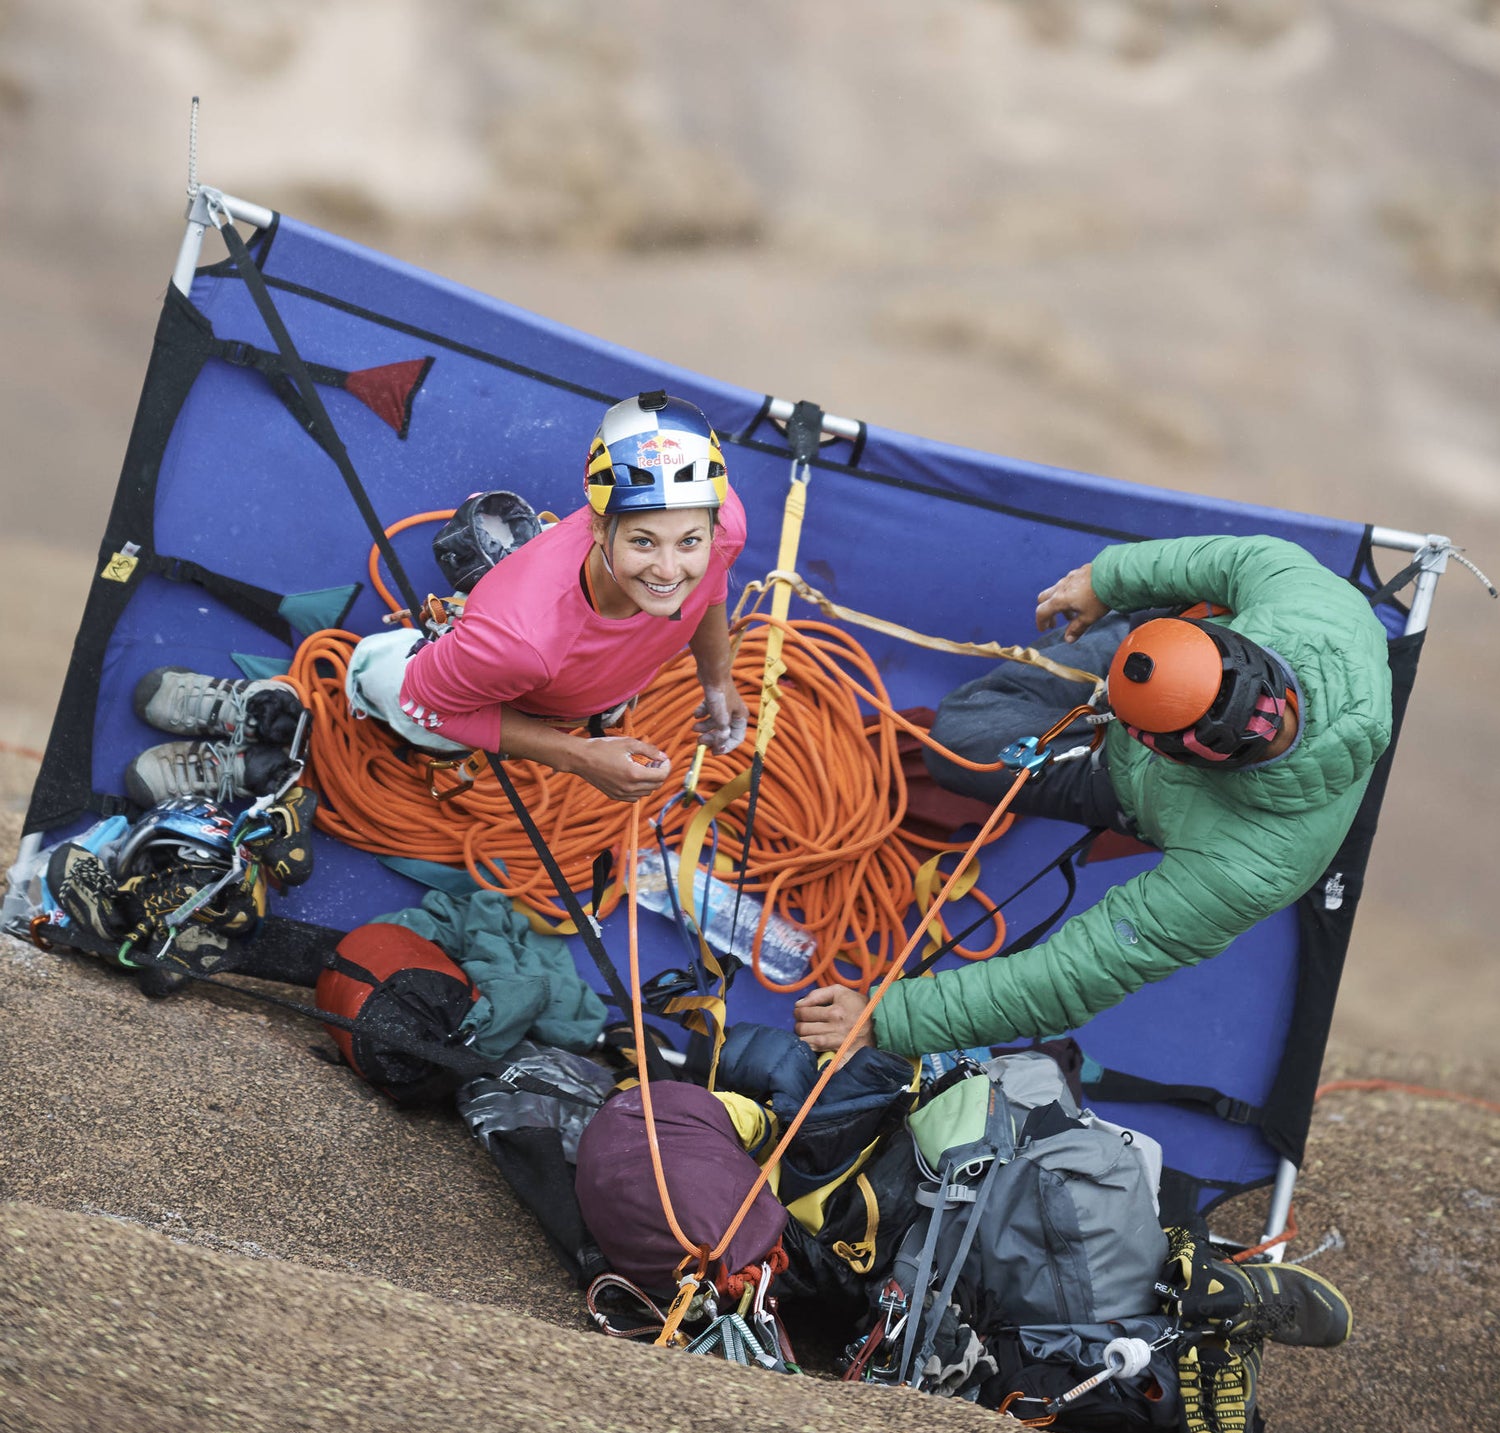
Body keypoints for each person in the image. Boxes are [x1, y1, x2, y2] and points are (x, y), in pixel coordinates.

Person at [793, 533, 1393, 1058]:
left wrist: (889, 1020)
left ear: (1176, 755)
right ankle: (1138, 639)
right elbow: (1244, 557)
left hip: (1117, 776)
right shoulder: (1317, 612)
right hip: (1164, 649)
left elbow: (1073, 975)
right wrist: (1106, 581)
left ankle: (1133, 673)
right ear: (1250, 648)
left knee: (956, 736)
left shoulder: (1246, 869)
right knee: (1133, 623)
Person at [125, 392, 749, 807]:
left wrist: (718, 681)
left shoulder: (723, 529)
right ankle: (285, 722)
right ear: (595, 525)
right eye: (642, 541)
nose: (670, 570)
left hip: (568, 683)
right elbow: (425, 706)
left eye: (687, 541)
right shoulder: (520, 638)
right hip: (507, 670)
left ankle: (280, 741)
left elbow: (711, 586)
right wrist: (580, 756)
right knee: (378, 675)